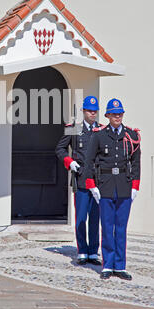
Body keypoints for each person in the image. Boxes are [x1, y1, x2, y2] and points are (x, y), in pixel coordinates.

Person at [85, 98, 141, 280]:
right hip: (106, 186)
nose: (117, 116)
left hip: (124, 187)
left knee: (121, 228)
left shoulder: (131, 136)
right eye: (114, 114)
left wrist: (135, 186)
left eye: (120, 114)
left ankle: (120, 265)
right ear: (108, 115)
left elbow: (135, 163)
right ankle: (108, 265)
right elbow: (89, 162)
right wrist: (92, 186)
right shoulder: (99, 135)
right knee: (107, 227)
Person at [55, 96, 102, 266]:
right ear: (83, 111)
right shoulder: (73, 129)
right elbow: (60, 149)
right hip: (81, 178)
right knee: (81, 217)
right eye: (90, 110)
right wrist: (70, 162)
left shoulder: (101, 130)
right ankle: (82, 250)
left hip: (97, 181)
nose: (92, 113)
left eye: (95, 111)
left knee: (95, 218)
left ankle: (93, 252)